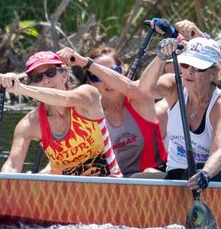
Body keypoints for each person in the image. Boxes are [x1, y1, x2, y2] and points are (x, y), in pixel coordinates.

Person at [0, 50, 122, 177]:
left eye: (50, 73)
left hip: (108, 187)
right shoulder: (29, 124)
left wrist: (21, 88)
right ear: (33, 84)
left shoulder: (88, 95)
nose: (46, 80)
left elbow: (65, 99)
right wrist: (2, 180)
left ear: (64, 76)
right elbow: (12, 165)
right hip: (63, 192)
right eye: (37, 77)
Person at [139, 35, 221, 189]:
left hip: (217, 175)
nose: (189, 72)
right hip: (179, 174)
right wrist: (161, 57)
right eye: (185, 65)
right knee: (137, 180)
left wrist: (205, 173)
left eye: (198, 68)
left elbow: (220, 150)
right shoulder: (174, 86)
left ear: (213, 72)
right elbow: (145, 89)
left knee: (192, 173)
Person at [58, 45, 167, 176]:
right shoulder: (89, 114)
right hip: (112, 186)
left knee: (149, 173)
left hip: (155, 180)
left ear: (123, 70)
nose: (107, 82)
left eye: (112, 72)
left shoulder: (141, 98)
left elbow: (132, 87)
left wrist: (84, 62)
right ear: (90, 81)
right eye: (97, 76)